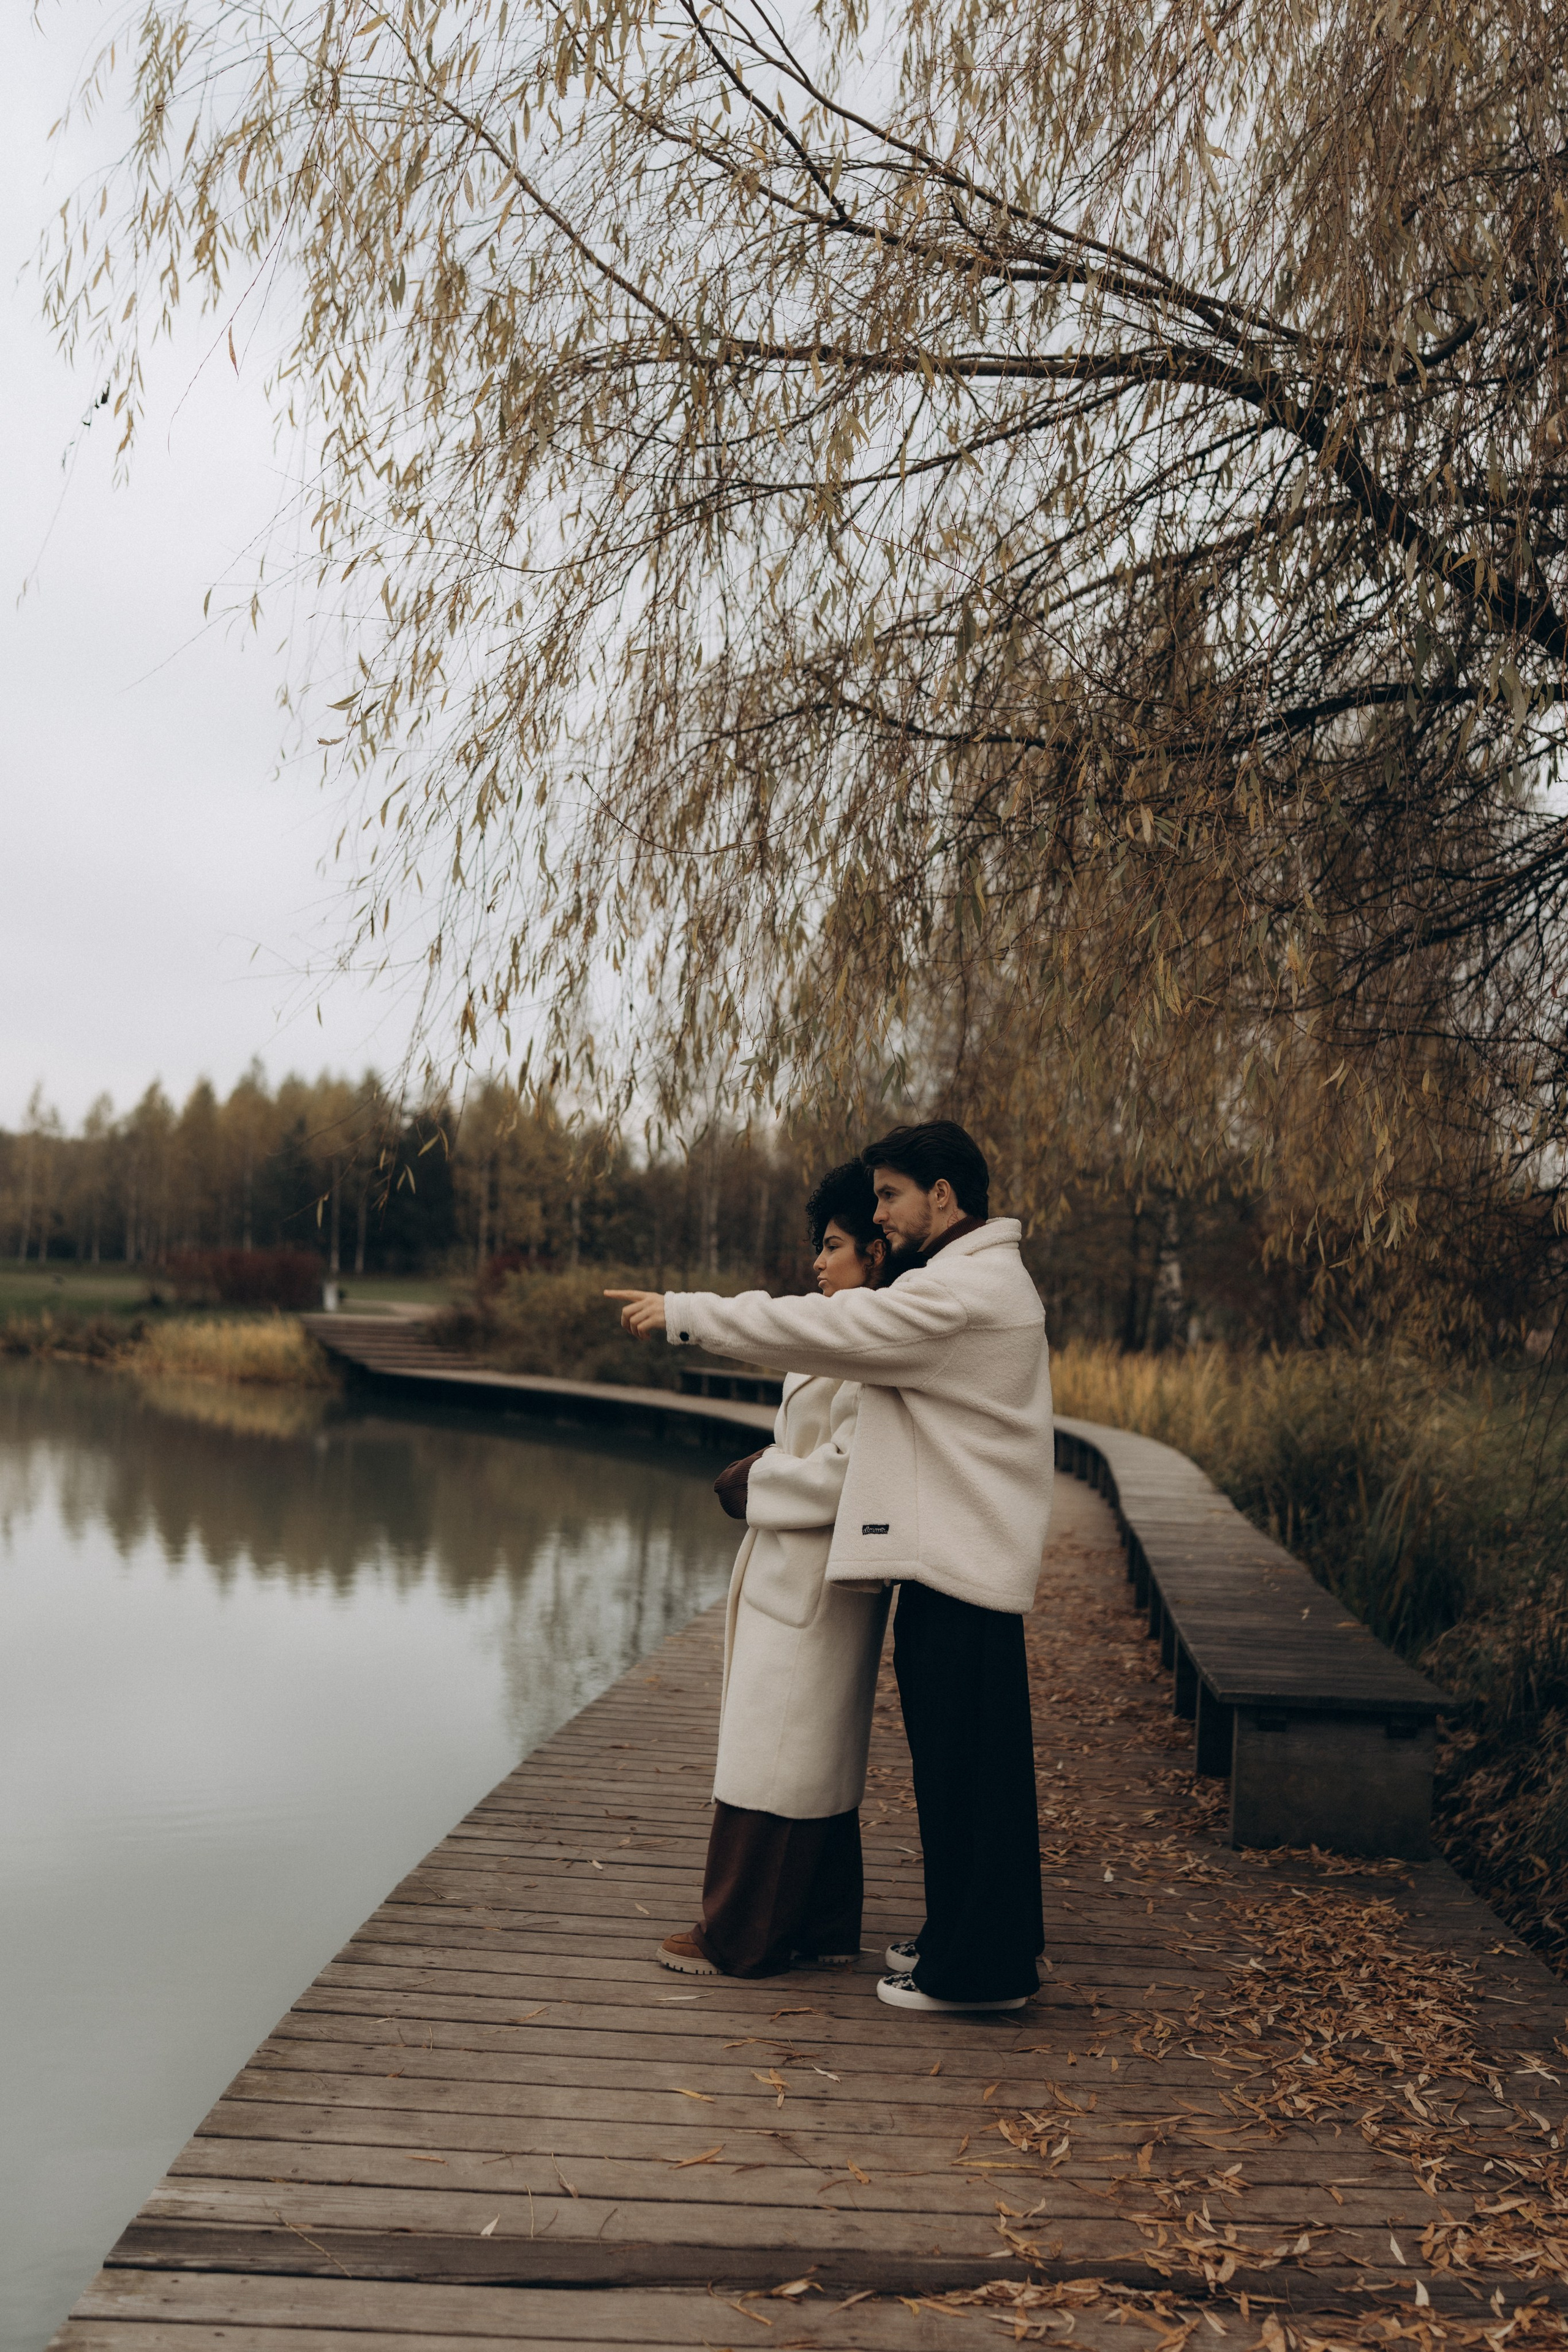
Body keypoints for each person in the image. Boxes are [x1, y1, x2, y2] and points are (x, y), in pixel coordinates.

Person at [608, 1118, 1052, 2015]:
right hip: (951, 1559)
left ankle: (979, 1973)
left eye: (889, 1195)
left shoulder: (960, 1294)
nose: (879, 1211)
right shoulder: (970, 1281)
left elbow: (821, 1327)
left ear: (944, 1196)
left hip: (960, 1564)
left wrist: (688, 1312)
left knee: (972, 1778)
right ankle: (974, 1944)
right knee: (965, 1774)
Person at [655, 1162, 892, 1980]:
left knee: (783, 1751)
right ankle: (817, 1925)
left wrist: (758, 1483)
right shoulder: (843, 1331)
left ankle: (742, 1936)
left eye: (832, 1248)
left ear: (873, 1251)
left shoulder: (871, 1343)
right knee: (797, 1749)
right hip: (796, 1566)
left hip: (819, 1572)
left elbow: (849, 1465)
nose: (817, 1264)